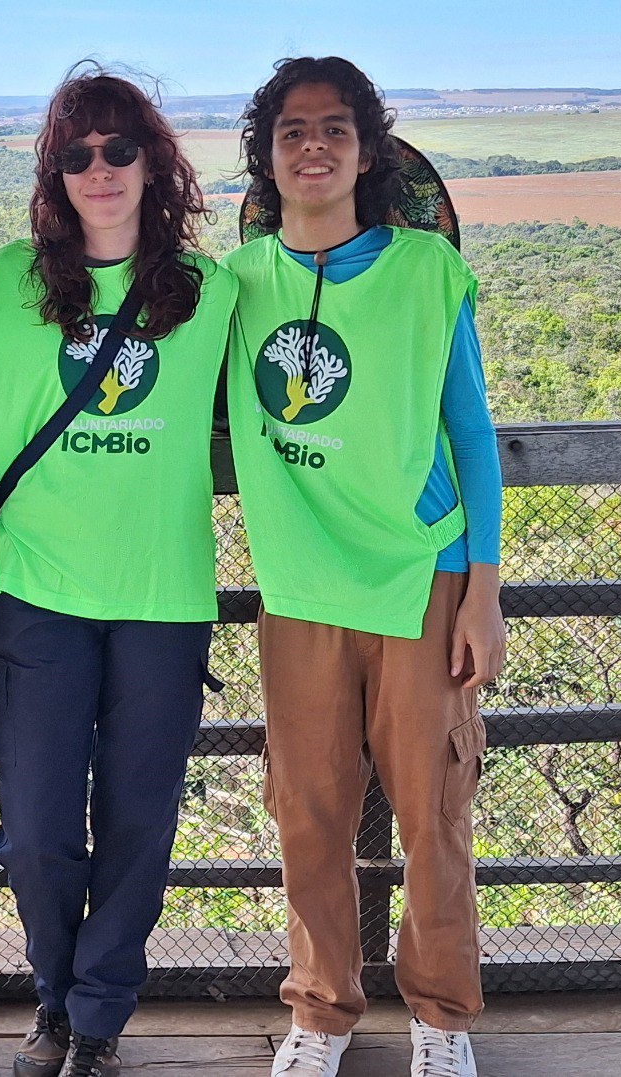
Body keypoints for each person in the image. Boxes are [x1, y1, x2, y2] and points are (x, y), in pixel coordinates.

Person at [0, 67, 237, 1077]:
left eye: (120, 149)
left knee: (135, 821)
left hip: (161, 599)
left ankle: (97, 1017)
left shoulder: (214, 294)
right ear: (53, 173)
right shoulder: (7, 289)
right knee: (32, 830)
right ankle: (56, 1000)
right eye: (77, 154)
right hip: (37, 595)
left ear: (153, 160)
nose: (100, 169)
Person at [224, 56, 505, 1077]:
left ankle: (441, 1017)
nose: (313, 147)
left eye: (335, 129)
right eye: (292, 130)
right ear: (265, 154)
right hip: (299, 587)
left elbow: (472, 436)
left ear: (368, 151)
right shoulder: (234, 286)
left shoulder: (429, 273)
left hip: (419, 580)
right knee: (309, 810)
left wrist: (484, 589)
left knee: (434, 810)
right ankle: (322, 1011)